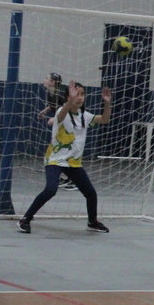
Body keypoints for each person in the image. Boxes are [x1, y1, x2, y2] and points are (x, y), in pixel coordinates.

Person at [17, 82, 111, 234]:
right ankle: (25, 218)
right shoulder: (62, 111)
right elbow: (61, 115)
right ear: (68, 97)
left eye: (82, 94)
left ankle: (92, 222)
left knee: (90, 193)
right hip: (55, 159)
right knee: (50, 189)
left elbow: (105, 119)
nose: (80, 97)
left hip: (73, 162)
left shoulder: (85, 116)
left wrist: (107, 103)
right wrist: (69, 101)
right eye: (76, 94)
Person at [39, 73, 74, 190]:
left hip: (67, 127)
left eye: (46, 78)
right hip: (60, 126)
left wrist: (55, 119)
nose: (44, 80)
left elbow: (68, 109)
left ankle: (72, 179)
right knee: (58, 151)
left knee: (62, 151)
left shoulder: (61, 94)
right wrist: (45, 110)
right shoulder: (51, 93)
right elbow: (53, 105)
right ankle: (65, 177)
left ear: (53, 82)